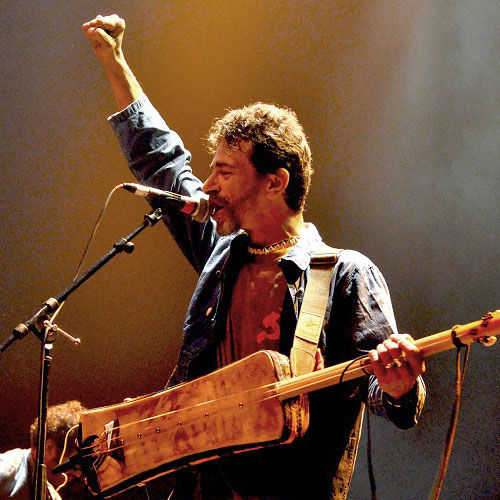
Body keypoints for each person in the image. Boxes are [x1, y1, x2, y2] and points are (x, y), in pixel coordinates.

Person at [82, 14, 426, 500]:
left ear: (275, 181)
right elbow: (161, 160)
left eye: (224, 171)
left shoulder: (344, 274)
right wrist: (115, 62)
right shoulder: (220, 252)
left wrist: (399, 385)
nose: (207, 185)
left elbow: (380, 389)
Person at [0, 400, 87, 500]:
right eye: (75, 463)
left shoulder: (50, 490)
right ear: (49, 448)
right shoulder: (5, 470)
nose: (78, 473)